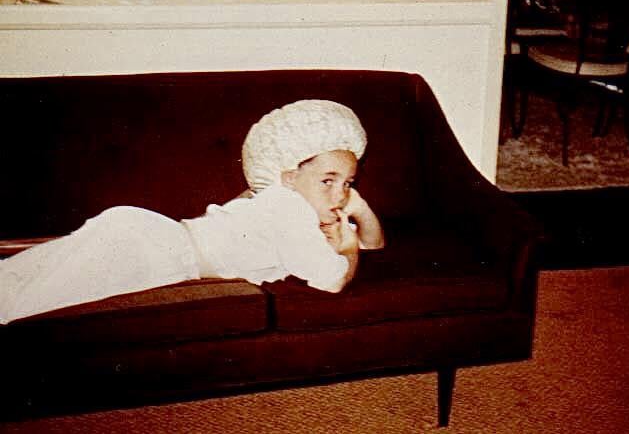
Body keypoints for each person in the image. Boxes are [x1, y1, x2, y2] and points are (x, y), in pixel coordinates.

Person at [0, 99, 384, 324]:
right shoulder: (288, 207)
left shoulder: (276, 202)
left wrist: (358, 207)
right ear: (288, 176)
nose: (339, 193)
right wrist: (347, 246)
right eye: (327, 180)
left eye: (348, 182)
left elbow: (376, 244)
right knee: (33, 299)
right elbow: (332, 281)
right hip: (157, 249)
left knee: (29, 276)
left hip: (146, 232)